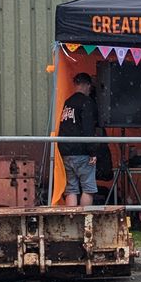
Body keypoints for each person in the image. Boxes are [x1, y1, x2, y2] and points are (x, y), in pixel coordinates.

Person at [58, 72, 100, 208]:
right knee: (88, 189)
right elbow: (88, 129)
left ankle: (71, 221)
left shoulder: (68, 102)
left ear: (75, 84)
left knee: (71, 189)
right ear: (87, 85)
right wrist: (93, 152)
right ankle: (84, 222)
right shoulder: (87, 102)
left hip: (65, 152)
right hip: (82, 152)